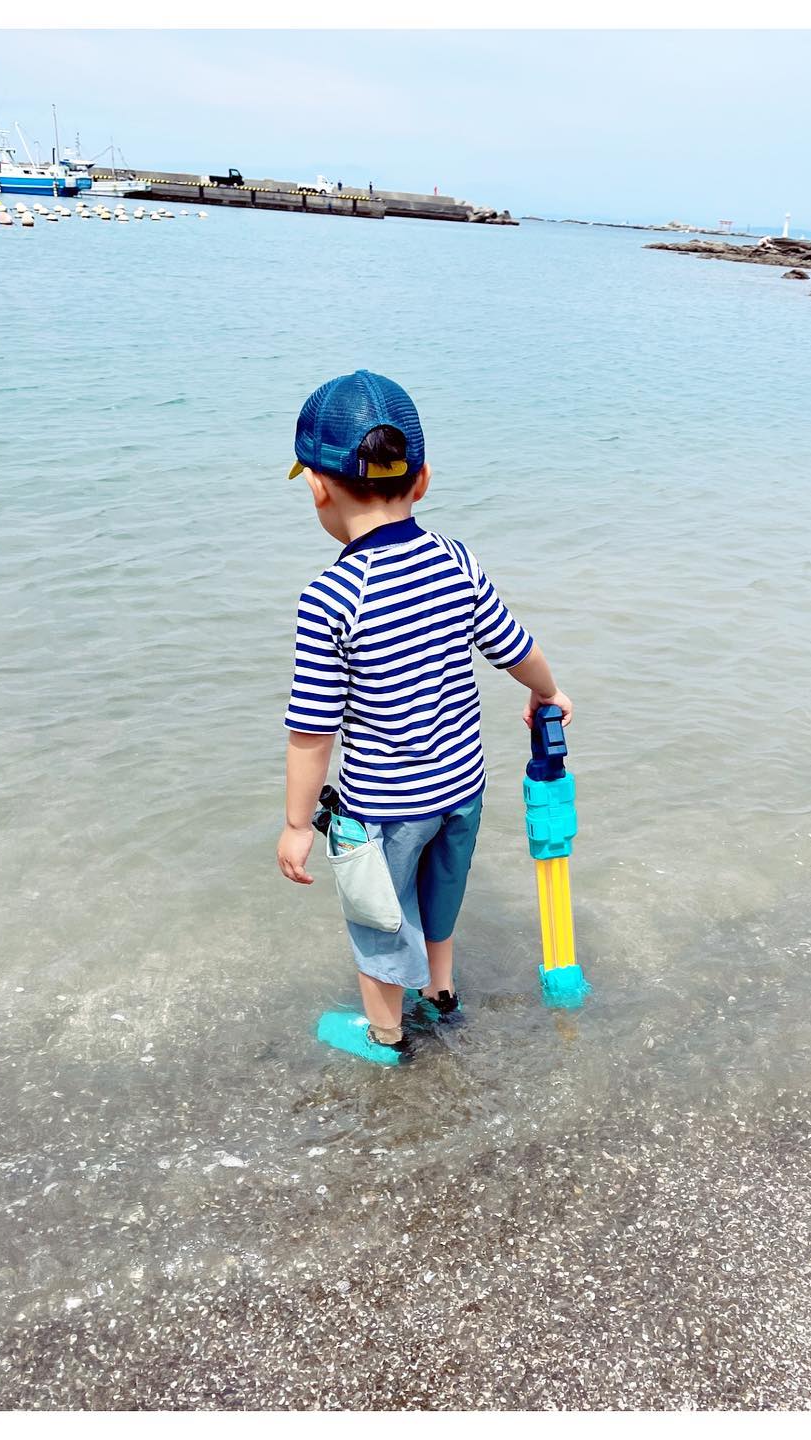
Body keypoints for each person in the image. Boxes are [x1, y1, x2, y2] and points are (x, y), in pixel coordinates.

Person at [277, 371, 573, 1063]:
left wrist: (296, 825)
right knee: (441, 898)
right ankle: (440, 995)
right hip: (461, 792)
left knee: (378, 924)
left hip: (383, 808)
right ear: (423, 479)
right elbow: (514, 647)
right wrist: (547, 693)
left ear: (318, 488)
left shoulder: (330, 597)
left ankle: (386, 1038)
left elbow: (312, 732)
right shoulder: (456, 560)